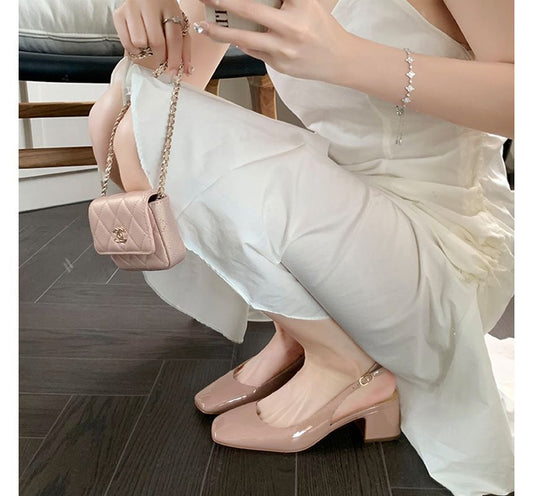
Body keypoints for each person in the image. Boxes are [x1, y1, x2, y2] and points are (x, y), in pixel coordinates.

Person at [88, 0, 514, 494]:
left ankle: (345, 363)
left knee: (142, 133)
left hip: (447, 245)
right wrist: (155, 21)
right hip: (353, 215)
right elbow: (149, 107)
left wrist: (347, 57)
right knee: (124, 127)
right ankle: (302, 330)